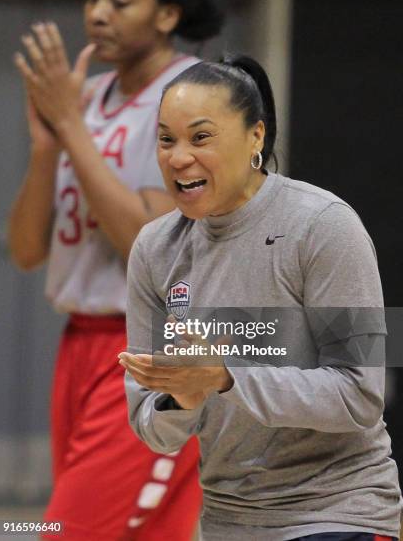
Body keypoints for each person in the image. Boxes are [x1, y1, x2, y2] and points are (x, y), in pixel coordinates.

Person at [119, 55, 402, 540]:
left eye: (200, 137)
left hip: (338, 511)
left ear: (256, 136)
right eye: (167, 139)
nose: (179, 156)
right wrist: (183, 401)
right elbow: (152, 427)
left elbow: (361, 395)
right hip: (231, 520)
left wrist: (228, 376)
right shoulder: (154, 248)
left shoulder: (325, 225)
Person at [9, 0, 224, 540]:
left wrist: (73, 127)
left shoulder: (189, 97)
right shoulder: (92, 97)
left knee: (65, 530)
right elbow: (26, 251)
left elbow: (149, 248)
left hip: (153, 346)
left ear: (167, 14)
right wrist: (48, 146)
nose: (97, 13)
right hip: (80, 342)